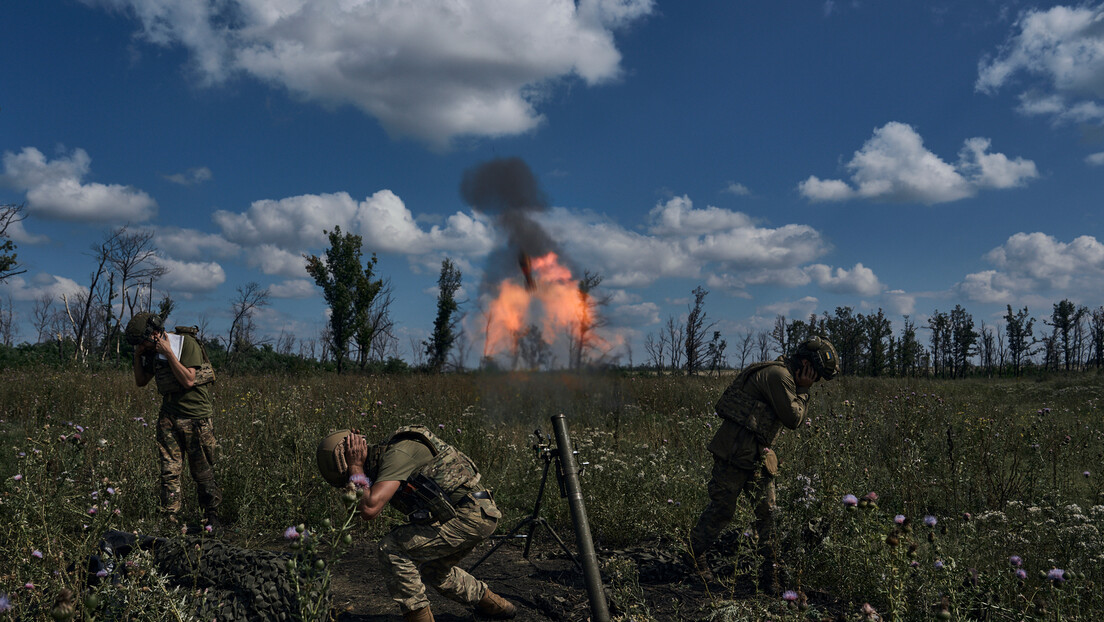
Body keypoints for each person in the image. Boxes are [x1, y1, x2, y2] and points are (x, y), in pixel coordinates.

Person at [317, 425, 517, 622]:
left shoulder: (397, 453)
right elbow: (360, 507)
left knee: (392, 547)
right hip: (470, 514)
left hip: (471, 514)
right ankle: (498, 607)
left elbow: (369, 508)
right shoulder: (384, 464)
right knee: (435, 571)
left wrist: (355, 467)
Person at [687, 336, 840, 591]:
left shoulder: (784, 375)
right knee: (722, 510)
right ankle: (694, 556)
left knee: (769, 515)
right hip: (734, 454)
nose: (816, 381)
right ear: (806, 363)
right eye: (817, 375)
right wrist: (803, 391)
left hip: (757, 456)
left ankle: (771, 576)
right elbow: (793, 418)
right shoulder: (778, 376)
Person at [127, 312, 221, 531]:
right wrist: (137, 356)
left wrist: (168, 353)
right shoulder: (151, 352)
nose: (143, 345)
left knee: (202, 471)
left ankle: (212, 518)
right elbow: (141, 381)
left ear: (156, 334)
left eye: (143, 341)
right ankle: (170, 521)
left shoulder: (185, 344)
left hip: (196, 418)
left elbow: (188, 380)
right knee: (169, 472)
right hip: (169, 417)